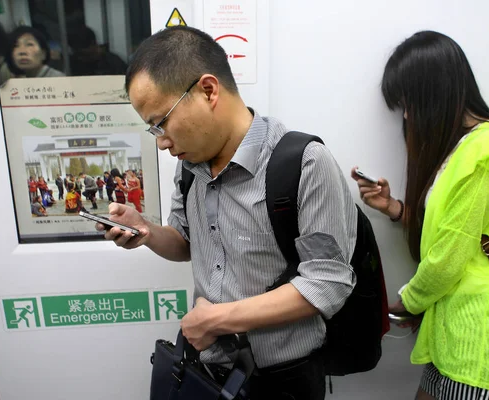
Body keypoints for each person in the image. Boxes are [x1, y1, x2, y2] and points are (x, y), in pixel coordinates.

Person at [98, 26, 357, 400]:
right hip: (207, 371)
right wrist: (147, 232)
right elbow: (187, 242)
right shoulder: (190, 165)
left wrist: (216, 319)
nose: (162, 142)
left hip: (283, 380)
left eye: (162, 122)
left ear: (208, 90)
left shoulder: (304, 164)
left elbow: (327, 283)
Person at [352, 31, 489, 399]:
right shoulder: (463, 148)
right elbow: (455, 231)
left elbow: (448, 258)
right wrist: (396, 209)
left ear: (434, 90)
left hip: (484, 349)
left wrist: (404, 304)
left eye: (408, 102)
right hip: (453, 344)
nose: (406, 115)